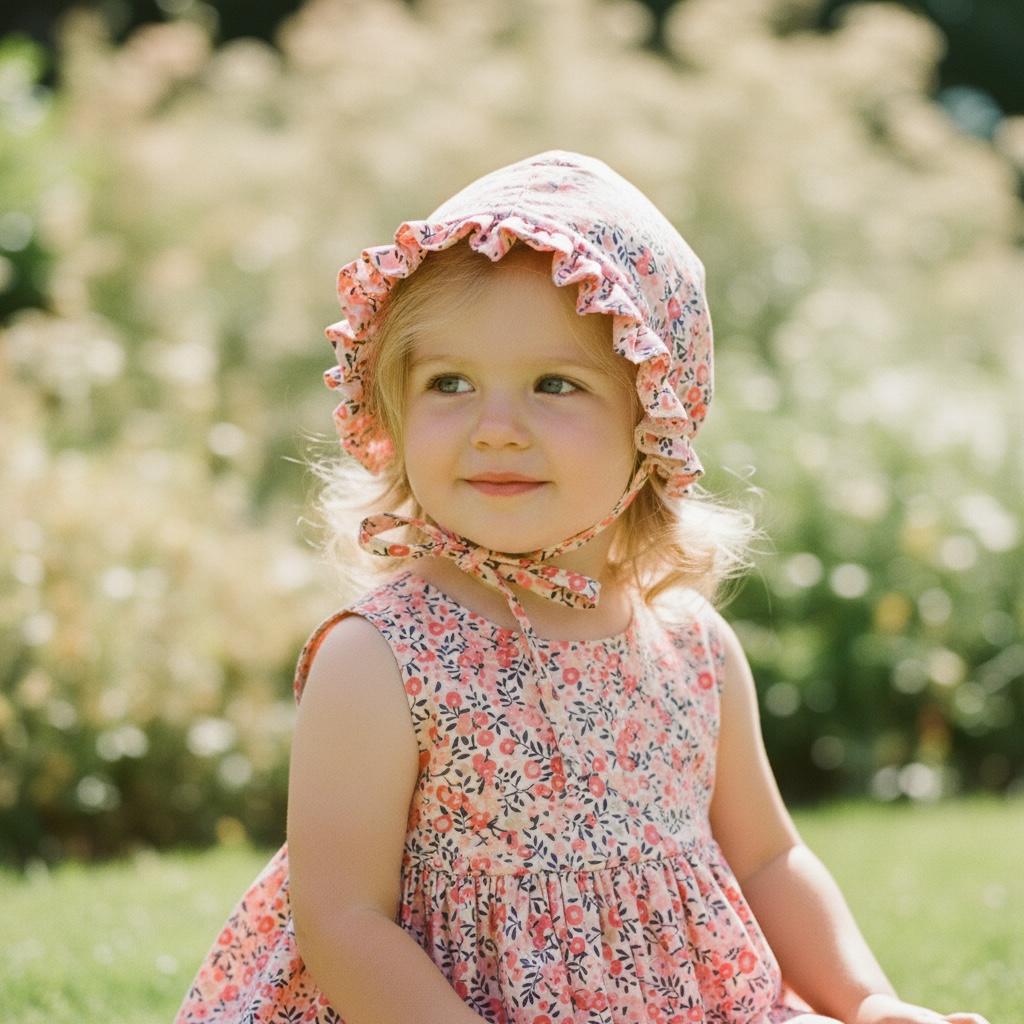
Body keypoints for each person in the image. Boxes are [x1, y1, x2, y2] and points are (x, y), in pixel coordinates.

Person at [174, 150, 990, 1024]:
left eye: (553, 384)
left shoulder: (692, 648)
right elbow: (343, 919)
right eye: (450, 383)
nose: (495, 429)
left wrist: (868, 1002)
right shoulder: (384, 658)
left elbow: (767, 860)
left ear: (656, 422)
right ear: (395, 407)